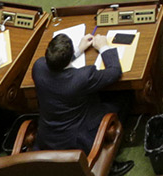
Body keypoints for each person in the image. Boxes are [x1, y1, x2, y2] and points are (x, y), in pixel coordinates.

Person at [32, 31, 131, 170]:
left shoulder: (38, 67)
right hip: (77, 141)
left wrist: (78, 50)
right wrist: (103, 46)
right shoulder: (82, 77)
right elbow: (114, 71)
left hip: (47, 138)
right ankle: (110, 163)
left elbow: (55, 66)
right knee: (123, 98)